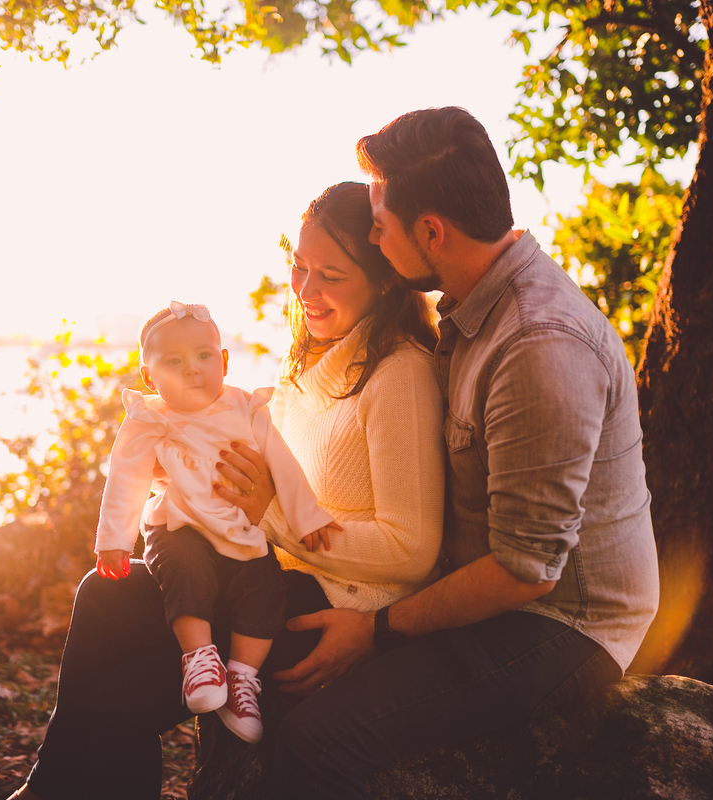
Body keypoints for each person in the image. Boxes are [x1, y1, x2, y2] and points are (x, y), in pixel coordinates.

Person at [263, 106, 660, 799]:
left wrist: (374, 631)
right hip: (493, 590)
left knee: (322, 738)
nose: (375, 242)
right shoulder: (472, 306)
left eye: (380, 229)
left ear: (431, 232)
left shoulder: (539, 346)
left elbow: (526, 570)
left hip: (561, 624)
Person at [6, 180, 445, 800]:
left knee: (113, 690)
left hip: (326, 607)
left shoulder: (399, 373)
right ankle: (46, 792)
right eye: (300, 267)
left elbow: (412, 550)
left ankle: (44, 794)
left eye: (332, 275)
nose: (307, 291)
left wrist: (268, 514)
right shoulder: (314, 364)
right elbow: (252, 467)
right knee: (106, 596)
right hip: (266, 574)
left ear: (383, 281)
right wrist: (186, 473)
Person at [93, 300, 338, 742]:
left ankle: (241, 679)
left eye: (204, 356)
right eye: (174, 361)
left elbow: (283, 465)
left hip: (238, 529)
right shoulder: (151, 418)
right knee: (185, 570)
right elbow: (126, 479)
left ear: (224, 361)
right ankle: (200, 661)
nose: (193, 369)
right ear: (149, 377)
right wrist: (114, 539)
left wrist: (306, 519)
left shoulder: (246, 408)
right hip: (178, 526)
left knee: (264, 584)